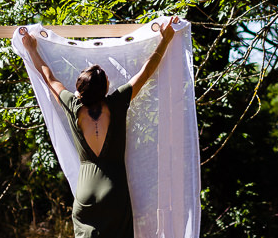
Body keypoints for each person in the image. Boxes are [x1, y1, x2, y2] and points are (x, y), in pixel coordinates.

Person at [21, 17, 178, 238]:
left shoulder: (72, 105)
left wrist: (31, 49)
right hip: (113, 189)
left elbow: (48, 77)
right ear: (105, 87)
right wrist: (165, 40)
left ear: (79, 89)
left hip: (85, 192)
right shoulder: (116, 103)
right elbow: (146, 71)